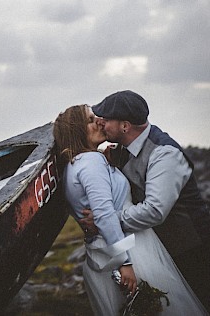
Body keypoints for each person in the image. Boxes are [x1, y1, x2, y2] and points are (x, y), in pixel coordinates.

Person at [53, 104, 206, 316]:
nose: (99, 121)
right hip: (130, 251)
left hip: (103, 251)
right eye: (90, 120)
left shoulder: (75, 165)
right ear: (77, 131)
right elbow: (104, 214)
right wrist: (124, 262)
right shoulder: (91, 163)